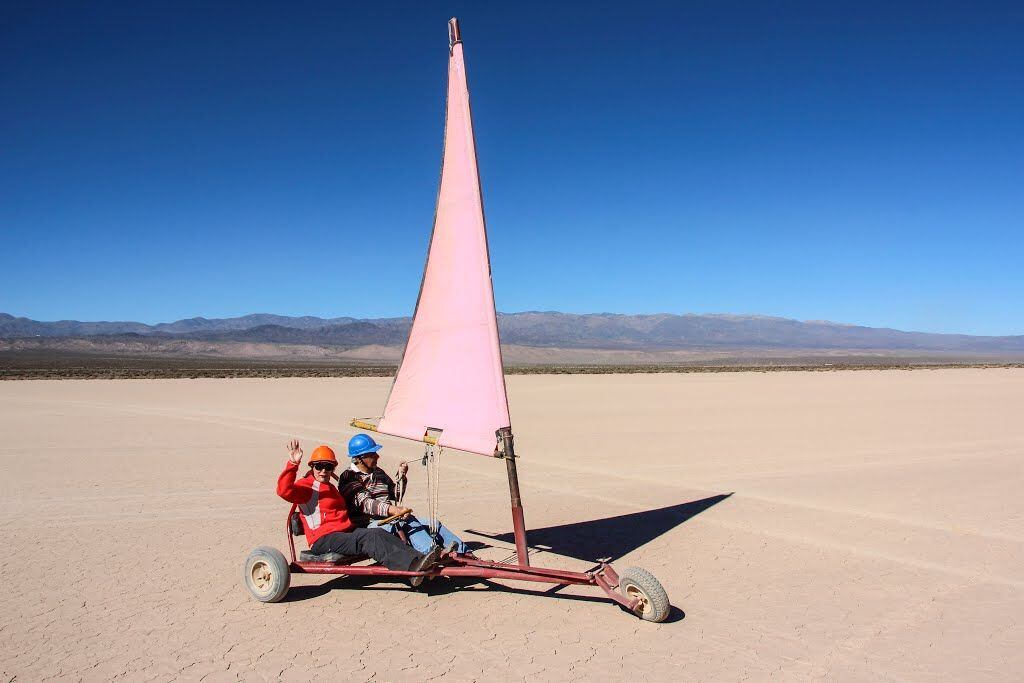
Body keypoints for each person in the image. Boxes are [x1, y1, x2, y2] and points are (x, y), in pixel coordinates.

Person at [276, 439, 442, 573]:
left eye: (328, 466)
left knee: (377, 532)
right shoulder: (306, 487)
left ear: (333, 467)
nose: (323, 471)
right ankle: (412, 567)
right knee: (369, 538)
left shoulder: (331, 487)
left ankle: (419, 559)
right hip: (324, 539)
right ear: (312, 467)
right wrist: (293, 463)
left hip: (344, 533)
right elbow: (284, 491)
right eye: (318, 466)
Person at [337, 433, 467, 555]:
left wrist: (402, 477)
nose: (377, 456)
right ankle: (431, 552)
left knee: (433, 523)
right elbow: (366, 504)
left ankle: (464, 552)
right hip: (368, 526)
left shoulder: (378, 472)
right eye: (372, 454)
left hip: (390, 519)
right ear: (360, 458)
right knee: (406, 523)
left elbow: (396, 494)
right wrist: (394, 510)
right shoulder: (349, 477)